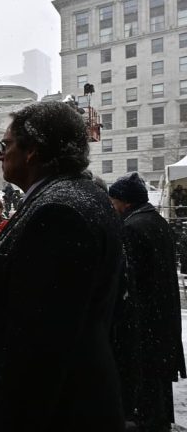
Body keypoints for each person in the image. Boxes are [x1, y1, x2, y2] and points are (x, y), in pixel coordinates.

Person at [0, 101, 126, 430]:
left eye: (5, 145)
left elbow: (40, 350)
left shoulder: (57, 213)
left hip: (53, 410)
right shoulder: (79, 195)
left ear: (32, 151)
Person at [109, 172, 187, 432]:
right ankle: (159, 419)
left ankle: (149, 421)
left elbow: (131, 280)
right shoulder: (155, 221)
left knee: (145, 377)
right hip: (162, 315)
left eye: (114, 202)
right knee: (158, 378)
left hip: (145, 319)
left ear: (125, 202)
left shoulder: (132, 227)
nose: (113, 208)